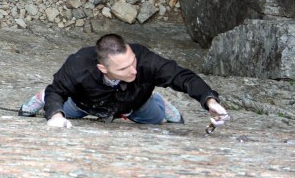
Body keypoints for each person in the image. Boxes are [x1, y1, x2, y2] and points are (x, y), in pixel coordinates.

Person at [19, 33, 230, 129]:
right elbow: (58, 90)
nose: (133, 71)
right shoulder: (78, 66)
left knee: (156, 120)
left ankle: (159, 102)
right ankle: (41, 97)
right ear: (103, 68)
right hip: (84, 103)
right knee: (61, 110)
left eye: (132, 62)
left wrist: (210, 100)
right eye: (123, 68)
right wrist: (55, 115)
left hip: (135, 102)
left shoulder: (144, 62)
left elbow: (182, 77)